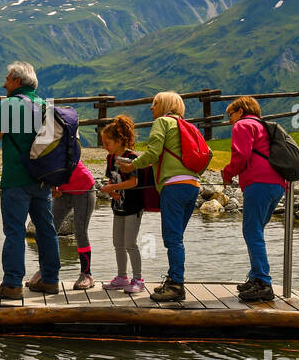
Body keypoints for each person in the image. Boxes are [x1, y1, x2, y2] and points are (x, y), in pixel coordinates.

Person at [0, 62, 60, 299]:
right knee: (46, 230)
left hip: (16, 179)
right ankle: (50, 280)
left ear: (18, 82)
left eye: (7, 79)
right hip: (43, 179)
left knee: (15, 232)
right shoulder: (44, 105)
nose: (4, 83)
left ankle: (12, 284)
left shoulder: (10, 105)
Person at [117, 92, 203, 302]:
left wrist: (131, 165)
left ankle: (175, 285)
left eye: (154, 104)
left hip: (173, 186)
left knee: (172, 239)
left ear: (165, 105)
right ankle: (175, 280)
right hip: (192, 185)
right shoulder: (188, 126)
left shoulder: (162, 122)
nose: (151, 108)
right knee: (177, 238)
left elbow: (153, 152)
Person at [220, 96, 289, 303]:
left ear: (240, 111)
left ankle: (262, 282)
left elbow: (241, 157)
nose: (229, 120)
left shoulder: (243, 125)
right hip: (277, 184)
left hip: (258, 183)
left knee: (251, 231)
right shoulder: (263, 126)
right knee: (256, 231)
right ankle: (255, 277)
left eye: (230, 115)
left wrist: (227, 173)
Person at [98, 115, 149, 294]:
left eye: (107, 143)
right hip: (118, 207)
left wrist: (113, 187)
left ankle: (138, 279)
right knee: (117, 243)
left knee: (130, 243)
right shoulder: (110, 159)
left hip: (133, 207)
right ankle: (122, 277)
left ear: (119, 141)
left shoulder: (130, 158)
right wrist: (112, 192)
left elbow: (133, 183)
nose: (105, 146)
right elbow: (112, 179)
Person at [32, 158, 96, 289]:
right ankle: (44, 270)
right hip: (64, 190)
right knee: (47, 230)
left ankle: (87, 275)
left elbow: (62, 166)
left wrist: (52, 185)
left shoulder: (62, 143)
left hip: (84, 188)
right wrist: (51, 187)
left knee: (80, 232)